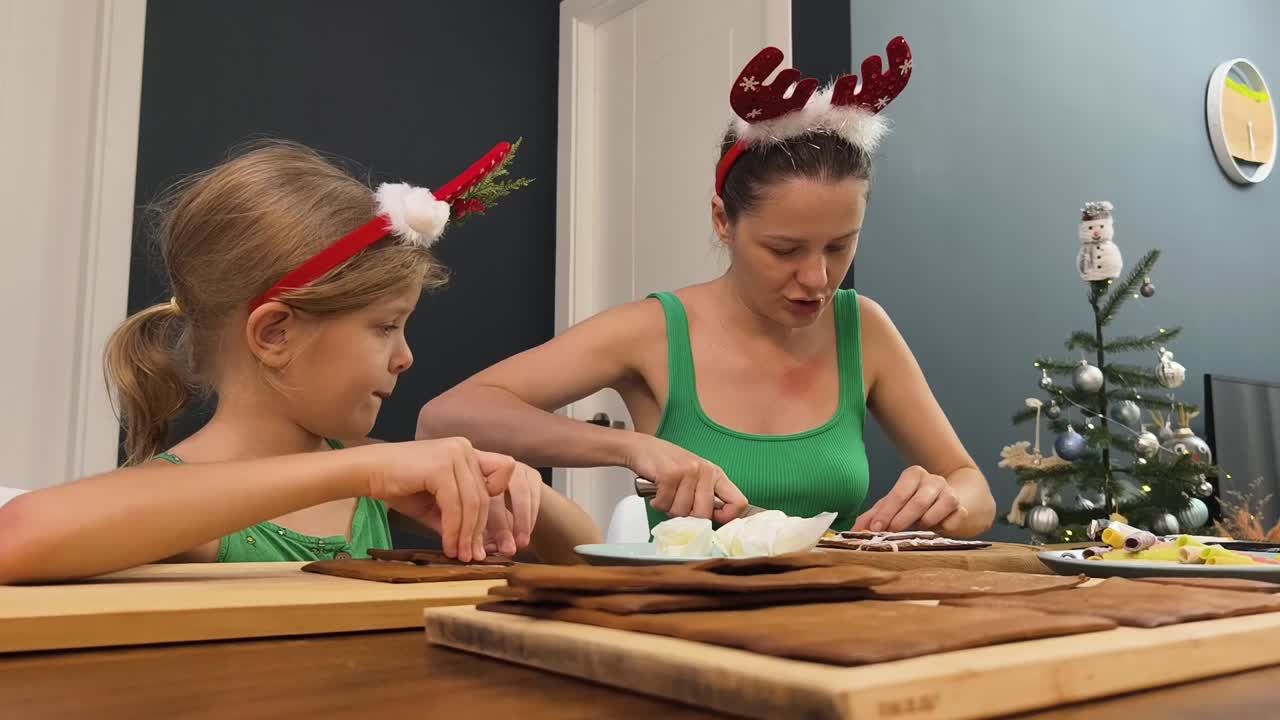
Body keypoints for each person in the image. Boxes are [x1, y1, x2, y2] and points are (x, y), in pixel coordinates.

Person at [418, 42, 995, 537]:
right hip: (681, 623)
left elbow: (975, 492)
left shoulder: (862, 328)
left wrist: (946, 501)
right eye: (785, 250)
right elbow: (447, 418)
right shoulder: (653, 332)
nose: (818, 278)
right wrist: (633, 449)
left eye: (840, 246)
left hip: (840, 623)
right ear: (723, 221)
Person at [0, 140, 598, 584]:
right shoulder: (198, 508)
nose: (406, 357)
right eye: (385, 327)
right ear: (275, 334)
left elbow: (589, 564)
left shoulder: (379, 483)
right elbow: (16, 536)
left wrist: (530, 495)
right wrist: (359, 470)